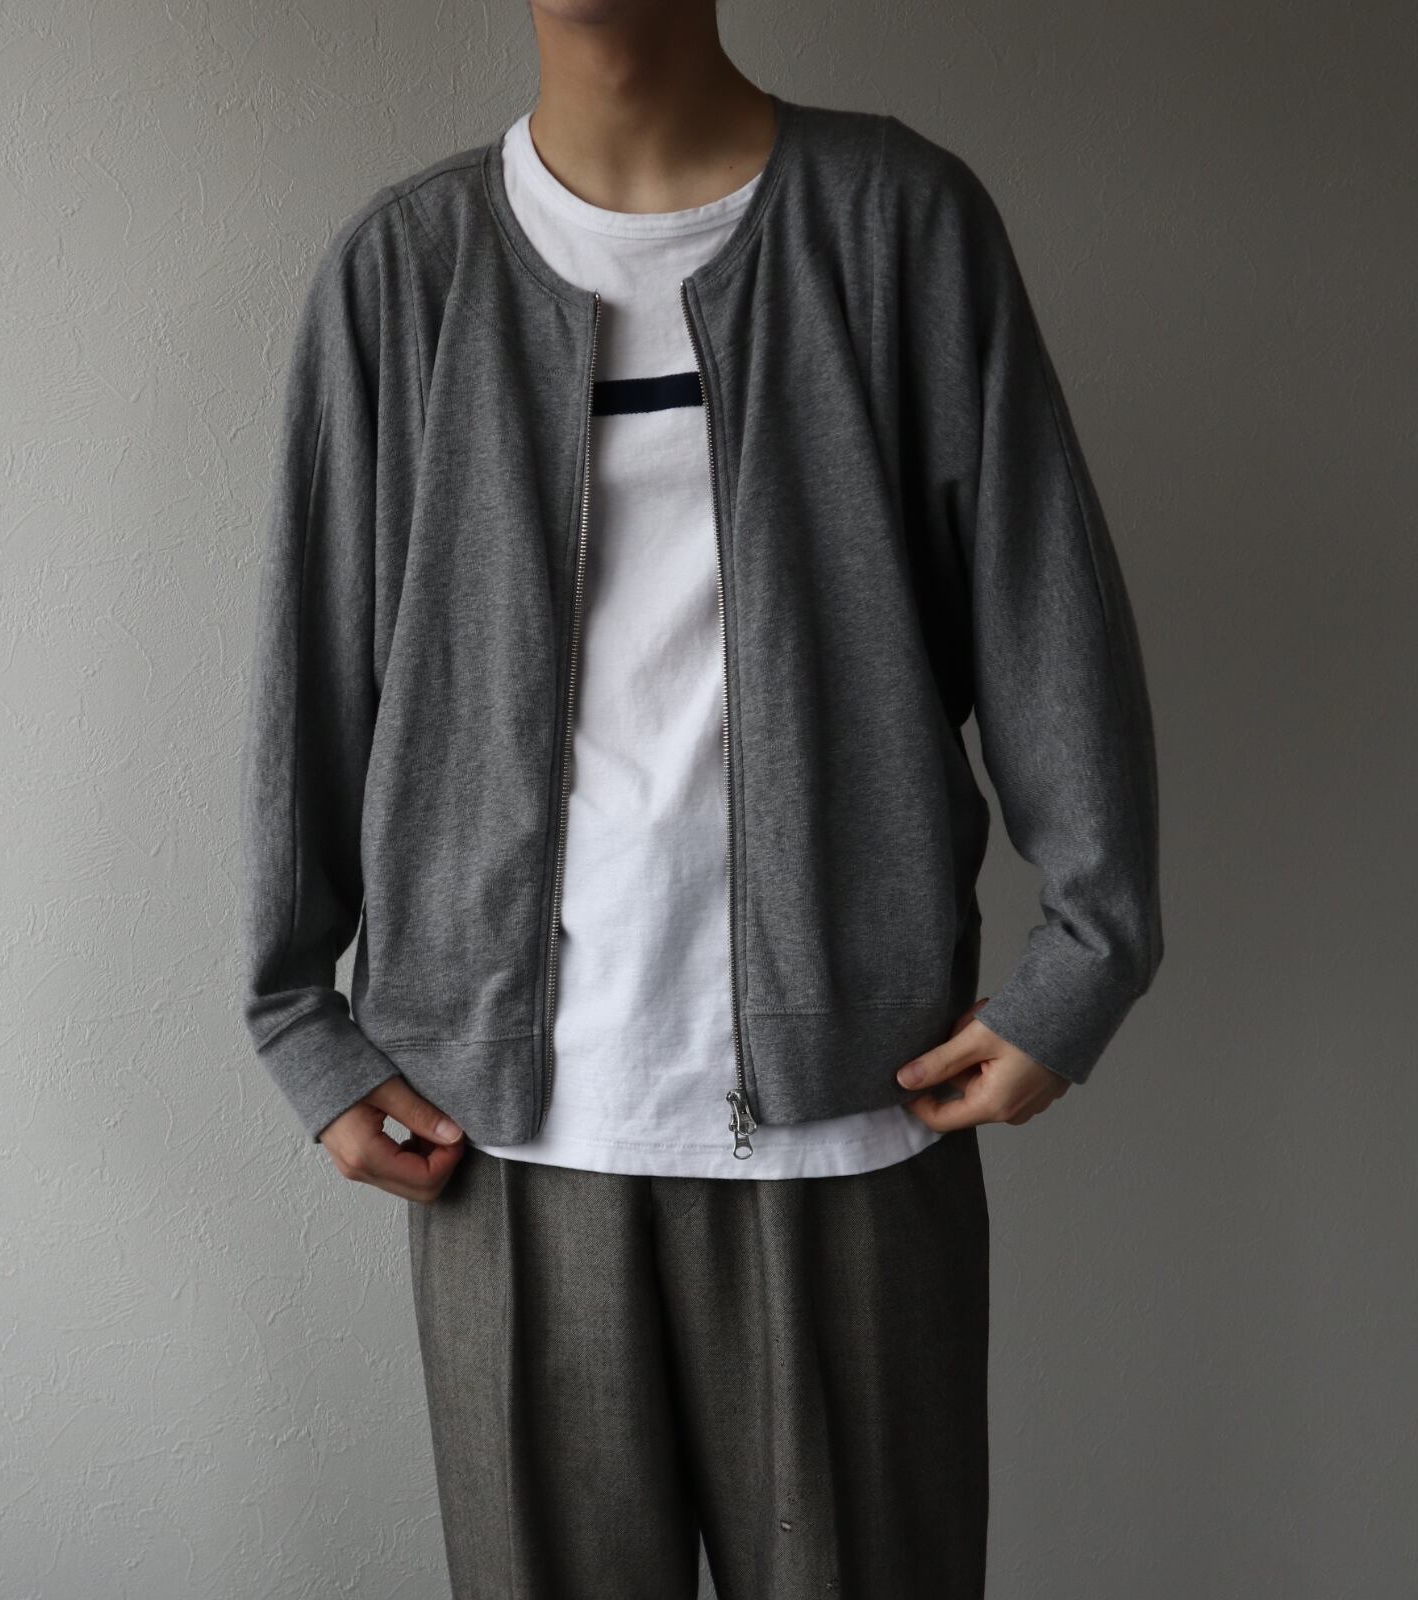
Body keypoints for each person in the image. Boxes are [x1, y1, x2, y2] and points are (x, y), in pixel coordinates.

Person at [237, 3, 1164, 1594]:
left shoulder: (897, 225)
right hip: (502, 1136)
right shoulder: (403, 273)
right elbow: (315, 661)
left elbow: (1040, 595)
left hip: (854, 1116)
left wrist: (1087, 959)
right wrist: (299, 1023)